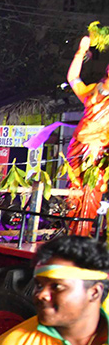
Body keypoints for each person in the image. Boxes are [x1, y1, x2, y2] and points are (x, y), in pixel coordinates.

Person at [64, 35, 109, 236]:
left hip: (99, 149)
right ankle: (69, 230)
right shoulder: (92, 92)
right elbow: (73, 78)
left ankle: (83, 232)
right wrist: (80, 52)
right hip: (79, 144)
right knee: (74, 188)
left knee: (92, 190)